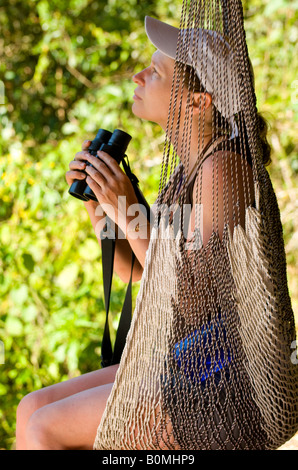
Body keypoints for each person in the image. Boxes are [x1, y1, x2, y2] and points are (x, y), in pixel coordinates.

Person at [15, 16, 270, 450]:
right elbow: (141, 276)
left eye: (157, 71)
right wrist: (103, 213)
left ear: (197, 102)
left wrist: (126, 208)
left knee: (45, 428)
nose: (138, 75)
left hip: (221, 379)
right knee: (31, 408)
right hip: (189, 357)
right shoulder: (187, 174)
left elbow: (192, 291)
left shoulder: (222, 169)